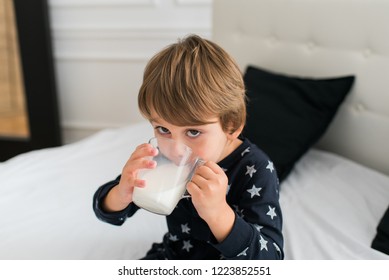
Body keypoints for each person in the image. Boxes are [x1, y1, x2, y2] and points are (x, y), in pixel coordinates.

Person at [93, 34, 284, 260]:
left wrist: (218, 213)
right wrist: (121, 193)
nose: (175, 149)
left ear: (231, 126)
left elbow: (270, 259)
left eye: (193, 132)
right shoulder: (160, 156)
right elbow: (108, 214)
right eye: (163, 129)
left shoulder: (255, 168)